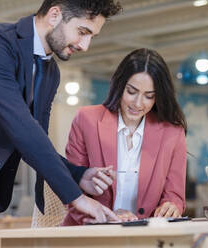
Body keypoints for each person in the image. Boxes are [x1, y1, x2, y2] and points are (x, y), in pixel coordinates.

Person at [0, 0, 122, 223]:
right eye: (82, 32)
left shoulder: (51, 72)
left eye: (91, 37)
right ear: (54, 15)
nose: (85, 46)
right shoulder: (1, 44)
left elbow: (36, 140)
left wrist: (77, 174)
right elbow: (22, 129)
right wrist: (76, 197)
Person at [63, 48, 187, 225]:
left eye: (149, 96)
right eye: (131, 92)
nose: (138, 103)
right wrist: (108, 216)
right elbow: (71, 187)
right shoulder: (86, 120)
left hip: (145, 236)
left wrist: (171, 205)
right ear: (120, 85)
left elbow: (174, 195)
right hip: (90, 232)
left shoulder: (172, 133)